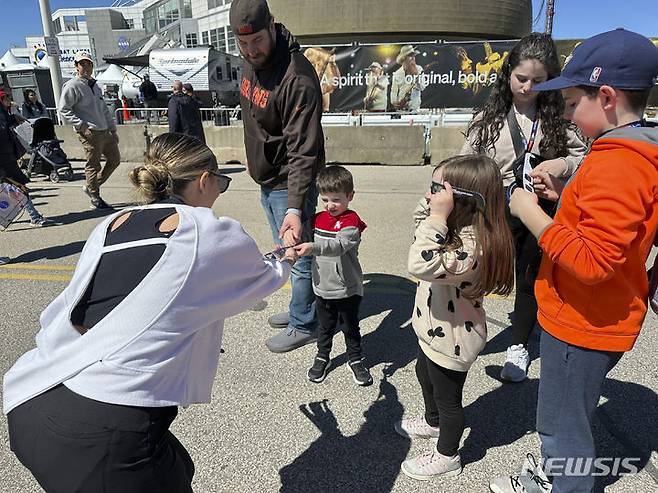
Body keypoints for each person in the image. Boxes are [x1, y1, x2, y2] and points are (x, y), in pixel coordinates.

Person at [4, 132, 297, 493]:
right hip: (102, 434)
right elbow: (263, 277)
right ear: (204, 180)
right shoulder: (206, 230)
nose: (219, 191)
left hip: (35, 395)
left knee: (179, 466)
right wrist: (288, 252)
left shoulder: (112, 223)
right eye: (220, 182)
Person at [490, 29, 658, 493]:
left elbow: (591, 260)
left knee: (563, 429)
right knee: (566, 418)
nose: (565, 114)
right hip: (597, 312)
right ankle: (557, 469)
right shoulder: (634, 150)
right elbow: (612, 229)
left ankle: (563, 482)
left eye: (569, 103)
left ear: (605, 96)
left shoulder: (618, 162)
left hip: (582, 319)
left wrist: (529, 212)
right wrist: (567, 198)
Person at [461, 33, 587, 383]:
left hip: (539, 208)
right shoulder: (488, 116)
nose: (528, 86)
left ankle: (519, 345)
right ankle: (467, 329)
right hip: (495, 207)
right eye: (521, 78)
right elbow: (467, 162)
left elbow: (581, 156)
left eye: (538, 80)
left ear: (551, 81)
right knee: (482, 272)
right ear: (508, 74)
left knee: (531, 277)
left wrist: (562, 164)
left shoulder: (560, 118)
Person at [398, 155, 514, 480]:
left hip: (453, 339)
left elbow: (419, 263)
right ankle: (432, 421)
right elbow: (419, 229)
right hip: (433, 329)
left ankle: (448, 454)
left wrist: (436, 216)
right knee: (425, 374)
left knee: (449, 401)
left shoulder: (473, 247)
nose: (431, 196)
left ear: (461, 201)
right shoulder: (454, 227)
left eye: (438, 190)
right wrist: (433, 210)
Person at [230, 0, 325, 352]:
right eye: (243, 44)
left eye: (256, 40)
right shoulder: (248, 62)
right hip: (267, 178)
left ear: (272, 26)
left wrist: (295, 208)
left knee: (296, 255)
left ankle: (305, 323)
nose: (251, 50)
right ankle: (300, 307)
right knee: (284, 252)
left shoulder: (296, 78)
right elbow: (255, 119)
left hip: (291, 182)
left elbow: (304, 150)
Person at [293, 165, 372, 386]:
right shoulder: (318, 219)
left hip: (348, 288)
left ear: (350, 196)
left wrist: (313, 248)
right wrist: (291, 242)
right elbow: (302, 237)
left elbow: (339, 245)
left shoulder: (351, 222)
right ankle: (322, 356)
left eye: (336, 199)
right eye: (325, 199)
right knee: (325, 327)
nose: (330, 205)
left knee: (350, 326)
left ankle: (355, 359)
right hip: (322, 287)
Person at [60, 51, 120, 210]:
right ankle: (95, 196)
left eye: (89, 64)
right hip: (90, 132)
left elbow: (104, 109)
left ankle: (91, 186)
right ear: (76, 66)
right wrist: (81, 125)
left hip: (105, 130)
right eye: (82, 64)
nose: (86, 67)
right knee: (93, 165)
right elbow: (64, 109)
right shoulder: (73, 85)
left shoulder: (94, 85)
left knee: (114, 160)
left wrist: (113, 129)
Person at [0, 89, 51, 227]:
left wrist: (13, 119)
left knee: (16, 187)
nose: (9, 99)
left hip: (7, 156)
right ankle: (34, 216)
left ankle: (33, 216)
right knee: (19, 186)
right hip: (4, 158)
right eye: (6, 97)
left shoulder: (2, 110)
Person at [391, 45, 427, 111]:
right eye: (410, 56)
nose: (413, 58)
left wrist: (416, 76)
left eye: (414, 56)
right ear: (404, 58)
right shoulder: (397, 73)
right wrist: (394, 103)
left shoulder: (419, 69)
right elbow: (394, 91)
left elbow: (422, 87)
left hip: (415, 109)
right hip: (401, 109)